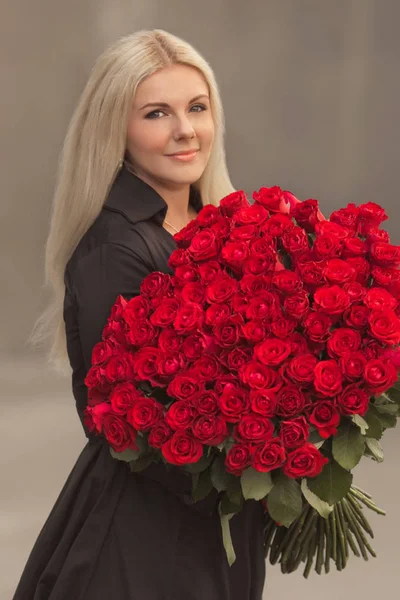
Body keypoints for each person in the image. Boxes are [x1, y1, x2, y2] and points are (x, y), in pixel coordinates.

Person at [13, 29, 266, 599]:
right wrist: (265, 461)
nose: (185, 130)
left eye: (197, 108)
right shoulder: (115, 248)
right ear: (116, 133)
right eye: (156, 113)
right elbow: (134, 425)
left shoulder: (218, 225)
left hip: (212, 529)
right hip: (144, 544)